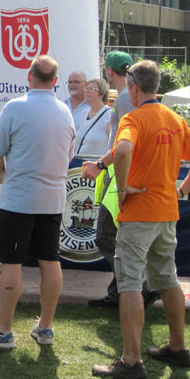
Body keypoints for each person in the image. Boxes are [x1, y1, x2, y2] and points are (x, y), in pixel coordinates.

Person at [91, 60, 190, 378]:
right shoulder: (175, 119)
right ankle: (177, 347)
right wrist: (182, 190)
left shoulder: (133, 118)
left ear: (133, 87)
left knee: (130, 284)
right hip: (167, 212)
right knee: (168, 279)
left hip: (138, 214)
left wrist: (122, 189)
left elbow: (122, 151)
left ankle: (131, 361)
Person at [0, 55, 75, 349]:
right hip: (52, 200)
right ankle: (45, 328)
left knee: (11, 262)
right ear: (56, 81)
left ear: (29, 76)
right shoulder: (65, 112)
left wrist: (2, 176)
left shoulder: (15, 107)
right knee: (50, 260)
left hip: (20, 199)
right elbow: (69, 154)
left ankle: (4, 330)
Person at [83, 51, 159, 309]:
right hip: (123, 174)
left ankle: (141, 286)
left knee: (107, 235)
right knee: (114, 236)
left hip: (121, 176)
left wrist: (101, 164)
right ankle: (121, 291)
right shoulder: (128, 96)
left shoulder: (126, 98)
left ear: (109, 71)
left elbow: (127, 145)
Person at [75, 78, 111, 157]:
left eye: (91, 89)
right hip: (79, 162)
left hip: (96, 162)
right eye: (86, 89)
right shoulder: (83, 113)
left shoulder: (109, 115)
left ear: (102, 94)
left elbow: (113, 144)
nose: (87, 91)